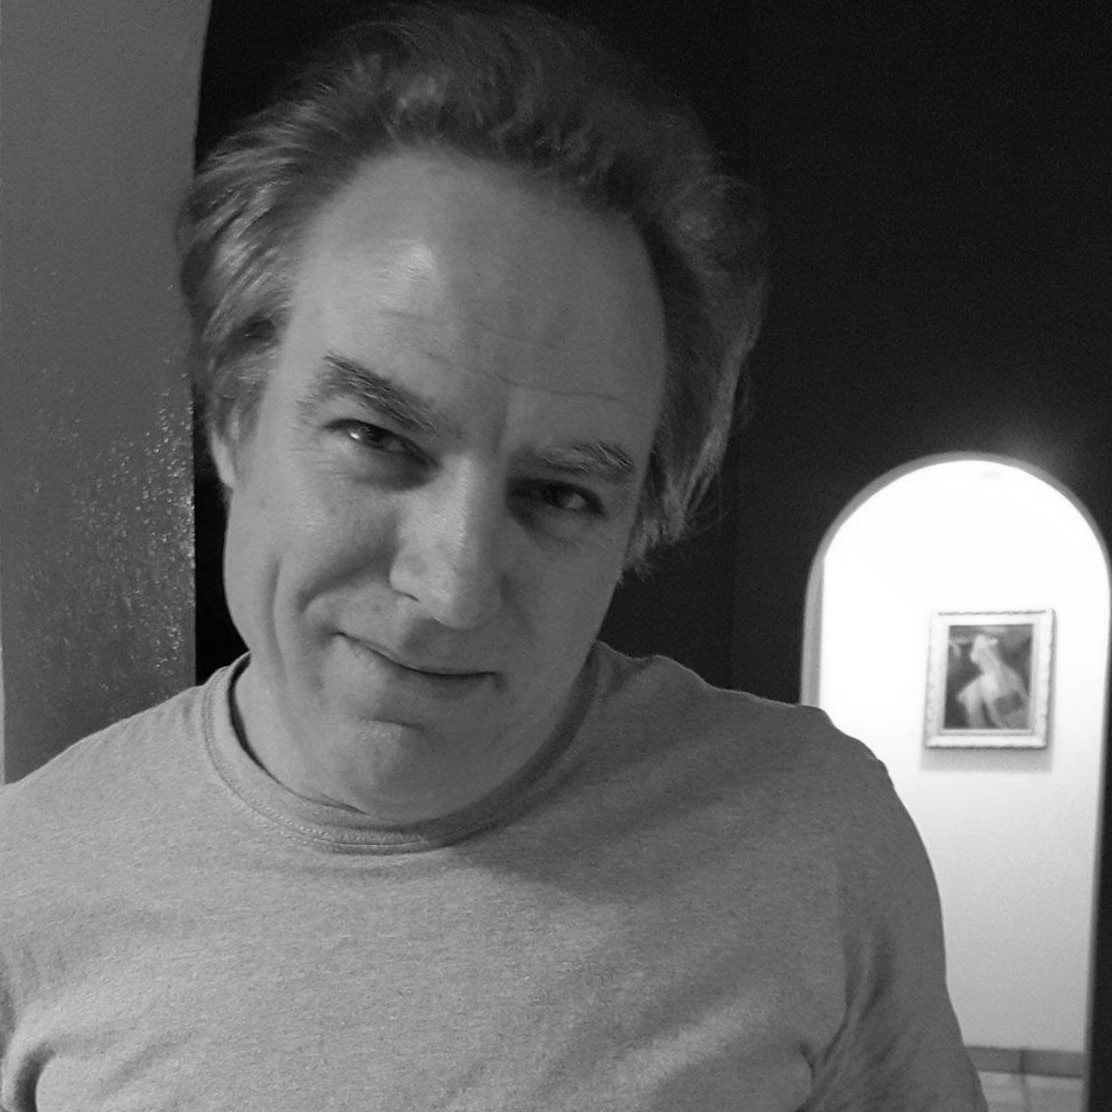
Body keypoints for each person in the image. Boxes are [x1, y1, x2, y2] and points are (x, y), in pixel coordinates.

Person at [0, 3, 987, 1108]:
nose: (454, 588)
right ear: (234, 418)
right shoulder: (30, 881)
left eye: (560, 494)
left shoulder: (809, 839)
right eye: (377, 438)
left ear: (634, 526)